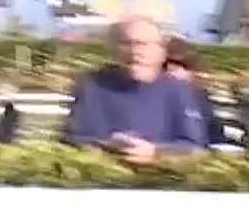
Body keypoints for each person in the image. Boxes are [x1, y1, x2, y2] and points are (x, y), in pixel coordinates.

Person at [62, 16, 208, 159]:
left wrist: (155, 152)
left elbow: (195, 146)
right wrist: (109, 146)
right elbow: (74, 138)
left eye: (144, 44)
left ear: (161, 51)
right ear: (114, 49)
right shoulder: (93, 85)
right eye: (127, 43)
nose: (135, 51)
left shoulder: (178, 90)